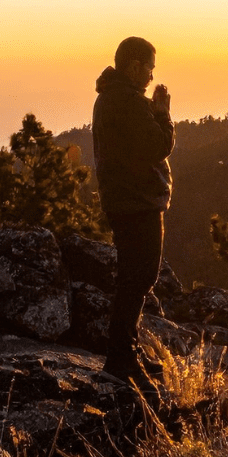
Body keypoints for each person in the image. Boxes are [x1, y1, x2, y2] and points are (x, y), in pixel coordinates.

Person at [92, 36, 174, 391]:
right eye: (149, 68)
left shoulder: (112, 97)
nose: (151, 77)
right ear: (134, 66)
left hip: (125, 201)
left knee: (135, 279)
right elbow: (158, 145)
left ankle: (127, 352)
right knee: (137, 279)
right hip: (136, 203)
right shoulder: (127, 101)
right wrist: (163, 112)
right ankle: (120, 359)